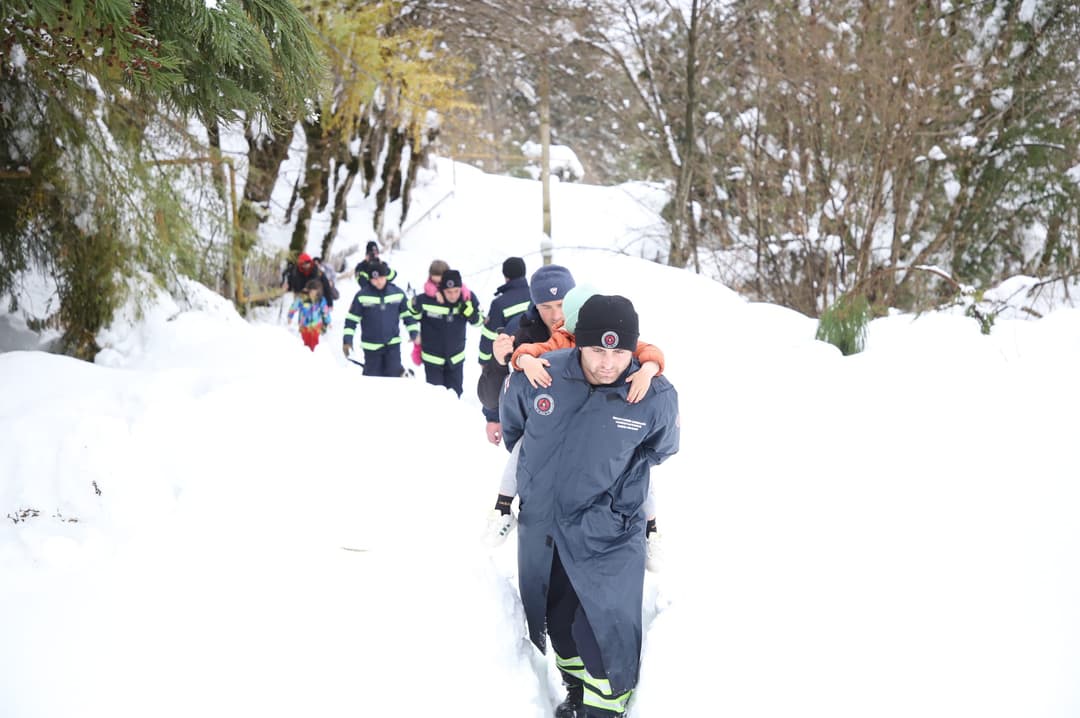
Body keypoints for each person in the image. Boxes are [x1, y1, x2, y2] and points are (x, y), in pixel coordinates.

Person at [499, 294, 680, 718]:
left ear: (633, 349)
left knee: (601, 631)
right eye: (597, 349)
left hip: (611, 530)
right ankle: (577, 693)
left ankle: (604, 710)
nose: (607, 362)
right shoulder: (541, 377)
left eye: (619, 351)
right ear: (578, 342)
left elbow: (660, 449)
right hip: (547, 525)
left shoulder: (654, 396)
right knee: (559, 625)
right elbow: (515, 430)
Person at [484, 284, 670, 571]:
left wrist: (647, 369)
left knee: (637, 466)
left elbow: (648, 350)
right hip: (562, 420)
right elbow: (530, 350)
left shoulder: (615, 341)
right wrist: (527, 361)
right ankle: (503, 506)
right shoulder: (561, 341)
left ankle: (651, 528)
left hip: (605, 421)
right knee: (524, 447)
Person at [476, 264, 576, 444]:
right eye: (546, 306)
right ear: (535, 305)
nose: (555, 315)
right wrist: (498, 363)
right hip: (533, 436)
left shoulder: (589, 328)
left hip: (581, 433)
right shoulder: (519, 332)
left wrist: (646, 366)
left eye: (561, 304)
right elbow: (492, 399)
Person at [478, 257, 532, 443]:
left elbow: (489, 338)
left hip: (508, 364)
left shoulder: (500, 303)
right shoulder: (538, 296)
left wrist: (485, 363)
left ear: (505, 276)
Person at [406, 269, 483, 396]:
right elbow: (410, 311)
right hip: (432, 360)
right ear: (442, 290)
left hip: (455, 361)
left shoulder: (467, 299)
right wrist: (415, 305)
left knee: (455, 396)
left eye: (456, 291)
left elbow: (480, 321)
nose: (453, 295)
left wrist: (469, 312)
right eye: (449, 292)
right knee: (436, 399)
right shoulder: (428, 299)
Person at [342, 261, 418, 377]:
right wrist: (347, 340)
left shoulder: (397, 293)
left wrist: (413, 332)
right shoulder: (362, 296)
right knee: (373, 380)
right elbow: (351, 320)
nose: (378, 282)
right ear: (370, 279)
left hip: (392, 345)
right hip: (371, 347)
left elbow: (407, 315)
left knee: (393, 377)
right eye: (374, 279)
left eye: (381, 278)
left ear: (386, 277)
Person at [287, 278, 332, 351]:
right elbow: (294, 307)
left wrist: (328, 321)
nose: (313, 293)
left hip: (316, 326)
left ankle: (313, 356)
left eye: (315, 291)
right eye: (311, 290)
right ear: (308, 289)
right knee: (305, 344)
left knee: (314, 344)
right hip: (304, 326)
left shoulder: (320, 300)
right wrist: (290, 316)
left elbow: (325, 311)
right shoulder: (302, 298)